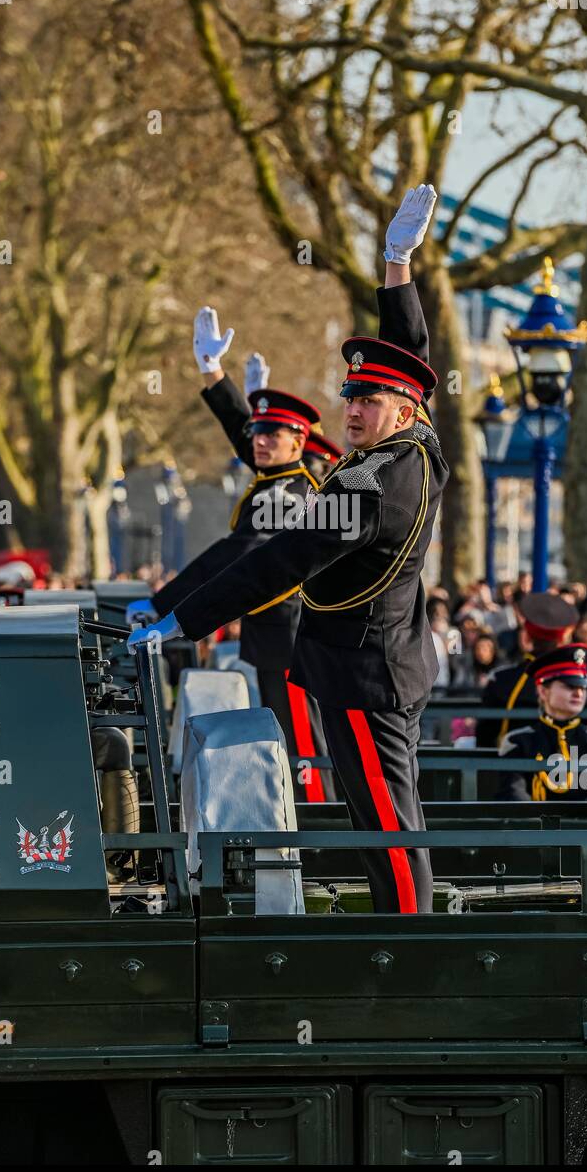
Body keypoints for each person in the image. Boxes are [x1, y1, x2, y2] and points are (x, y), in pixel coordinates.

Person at [130, 184, 448, 914]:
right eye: (351, 397)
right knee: (386, 819)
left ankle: (413, 950)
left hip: (364, 674)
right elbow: (412, 354)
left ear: (401, 411)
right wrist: (397, 266)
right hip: (371, 660)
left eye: (367, 402)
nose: (353, 408)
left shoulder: (371, 487)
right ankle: (406, 933)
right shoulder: (417, 443)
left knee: (388, 830)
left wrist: (181, 619)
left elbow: (279, 560)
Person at [129, 312, 334, 802]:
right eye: (258, 433)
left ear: (299, 444)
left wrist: (166, 606)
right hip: (276, 633)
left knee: (302, 744)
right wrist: (213, 374)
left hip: (290, 636)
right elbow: (245, 436)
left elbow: (233, 555)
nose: (259, 442)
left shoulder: (287, 494)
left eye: (272, 436)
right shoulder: (278, 479)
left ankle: (319, 831)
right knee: (288, 735)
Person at [497, 645, 587, 802]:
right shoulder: (518, 741)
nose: (578, 693)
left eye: (583, 687)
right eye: (570, 686)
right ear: (543, 691)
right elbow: (514, 797)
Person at [475, 592, 578, 747]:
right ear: (564, 639)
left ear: (526, 638)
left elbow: (484, 738)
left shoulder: (502, 680)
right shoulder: (580, 683)